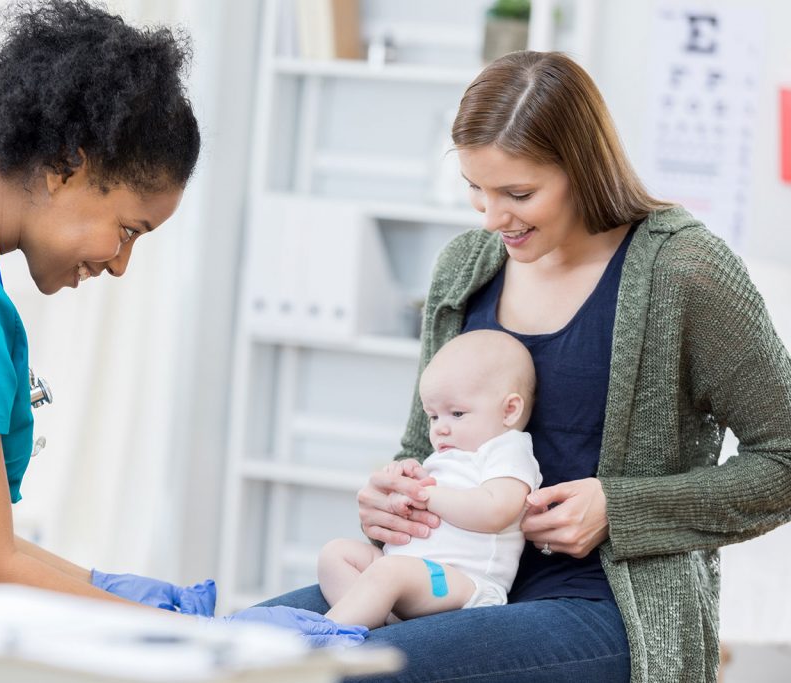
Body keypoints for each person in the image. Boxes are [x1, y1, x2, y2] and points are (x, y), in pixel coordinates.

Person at [0, 0, 365, 648]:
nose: (120, 264)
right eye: (126, 230)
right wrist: (194, 637)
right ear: (66, 163)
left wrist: (113, 587)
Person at [260, 50, 791, 681]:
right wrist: (392, 499)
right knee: (243, 647)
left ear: (583, 168)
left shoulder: (684, 270)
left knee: (352, 672)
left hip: (606, 607)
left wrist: (617, 508)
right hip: (450, 583)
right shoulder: (465, 266)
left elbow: (783, 456)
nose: (491, 219)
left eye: (518, 193)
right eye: (476, 191)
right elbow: (425, 442)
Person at [319, 330, 541, 630]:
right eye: (433, 417)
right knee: (335, 554)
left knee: (389, 572)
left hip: (459, 582)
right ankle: (373, 620)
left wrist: (426, 495)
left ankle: (326, 636)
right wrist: (403, 485)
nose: (440, 429)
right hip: (408, 575)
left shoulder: (507, 449)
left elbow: (496, 511)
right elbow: (417, 506)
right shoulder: (448, 455)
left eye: (457, 413)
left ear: (509, 410)